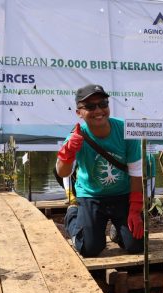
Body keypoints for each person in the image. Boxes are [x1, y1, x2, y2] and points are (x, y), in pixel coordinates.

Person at [56, 84, 143, 257]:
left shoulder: (126, 130)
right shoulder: (75, 137)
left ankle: (118, 232)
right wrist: (68, 151)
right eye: (90, 106)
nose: (98, 110)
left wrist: (135, 208)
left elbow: (135, 173)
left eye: (103, 104)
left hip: (122, 195)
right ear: (79, 112)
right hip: (91, 195)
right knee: (89, 249)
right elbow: (62, 172)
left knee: (136, 245)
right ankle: (73, 215)